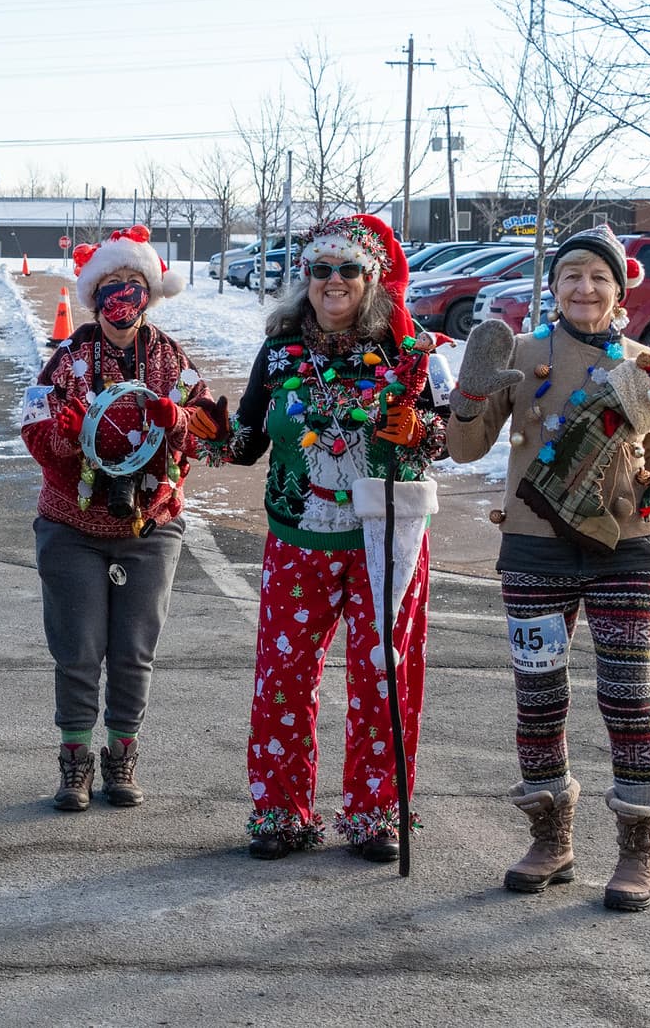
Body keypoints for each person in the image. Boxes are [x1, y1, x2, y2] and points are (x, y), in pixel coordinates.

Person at [447, 224, 650, 911]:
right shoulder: (519, 352)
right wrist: (471, 394)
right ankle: (551, 840)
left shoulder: (646, 364)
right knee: (538, 697)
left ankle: (637, 848)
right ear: (554, 286)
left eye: (598, 277)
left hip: (627, 547)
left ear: (618, 291)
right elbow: (464, 449)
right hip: (534, 547)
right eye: (571, 274)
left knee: (627, 694)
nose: (584, 287)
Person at [218, 214, 449, 862]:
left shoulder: (406, 351)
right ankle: (279, 812)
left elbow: (447, 437)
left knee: (384, 676)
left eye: (348, 268)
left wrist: (418, 430)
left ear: (371, 278)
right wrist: (211, 431)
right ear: (306, 278)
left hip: (385, 538)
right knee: (283, 678)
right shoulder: (279, 351)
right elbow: (246, 442)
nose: (333, 280)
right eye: (320, 269)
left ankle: (376, 812)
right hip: (299, 538)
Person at [19, 225, 227, 811]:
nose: (123, 297)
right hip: (72, 526)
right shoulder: (67, 359)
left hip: (151, 525)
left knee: (134, 651)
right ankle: (74, 761)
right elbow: (34, 429)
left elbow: (212, 432)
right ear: (94, 295)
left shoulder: (171, 358)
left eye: (134, 284)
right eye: (111, 285)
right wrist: (65, 436)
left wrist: (181, 421)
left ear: (150, 292)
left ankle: (121, 758)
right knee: (78, 650)